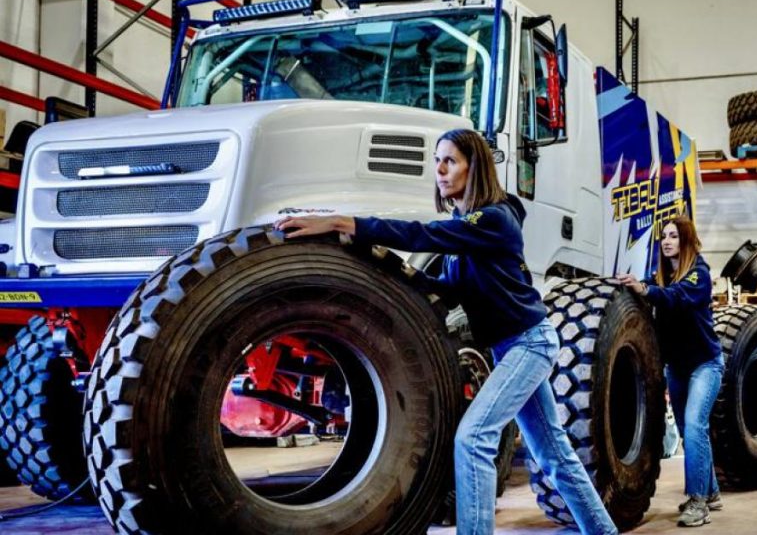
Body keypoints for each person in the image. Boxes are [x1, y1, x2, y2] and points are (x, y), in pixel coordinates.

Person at [275, 128, 617, 535]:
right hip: (512, 348)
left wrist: (343, 220)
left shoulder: (494, 220)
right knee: (556, 455)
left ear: (475, 168)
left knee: (473, 439)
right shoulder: (466, 229)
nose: (438, 169)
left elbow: (423, 234)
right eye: (437, 160)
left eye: (450, 160)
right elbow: (447, 290)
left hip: (530, 343)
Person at [617, 214, 723, 528]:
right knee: (693, 433)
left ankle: (698, 502)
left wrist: (646, 290)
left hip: (705, 366)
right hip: (678, 368)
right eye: (664, 236)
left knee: (693, 426)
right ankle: (712, 492)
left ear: (687, 240)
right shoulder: (660, 277)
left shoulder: (698, 275)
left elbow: (677, 299)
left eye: (674, 236)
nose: (666, 241)